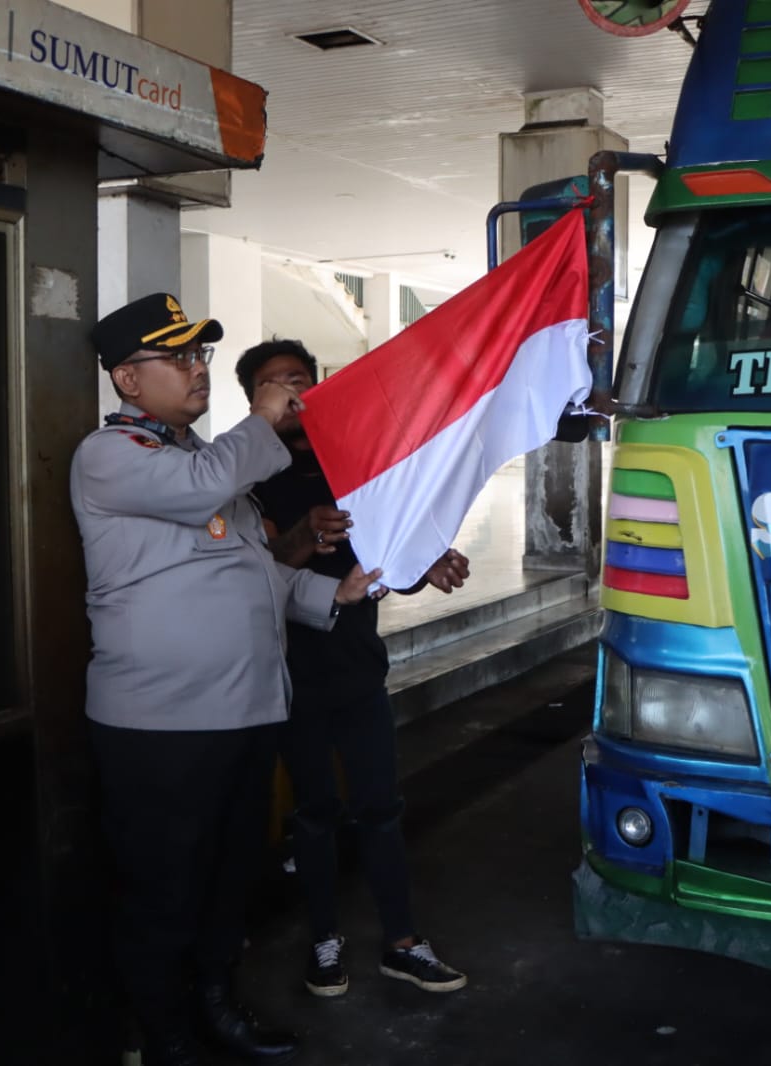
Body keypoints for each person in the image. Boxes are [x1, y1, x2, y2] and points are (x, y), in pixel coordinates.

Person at [72, 295, 381, 1066]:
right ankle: (163, 1036)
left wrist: (332, 594)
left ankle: (217, 1007)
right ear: (127, 379)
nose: (196, 369)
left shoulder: (207, 462)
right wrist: (265, 418)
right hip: (160, 728)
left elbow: (255, 574)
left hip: (241, 714)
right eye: (177, 357)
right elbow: (199, 489)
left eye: (200, 354)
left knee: (225, 882)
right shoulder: (111, 456)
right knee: (163, 889)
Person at [235, 339, 470, 1000]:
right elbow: (254, 571)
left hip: (360, 669)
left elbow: (389, 558)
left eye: (300, 379)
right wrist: (303, 535)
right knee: (314, 812)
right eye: (276, 383)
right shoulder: (248, 478)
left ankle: (403, 942)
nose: (292, 392)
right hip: (289, 677)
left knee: (380, 807)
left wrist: (427, 562)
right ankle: (323, 940)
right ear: (255, 399)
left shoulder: (357, 465)